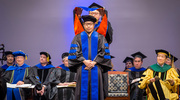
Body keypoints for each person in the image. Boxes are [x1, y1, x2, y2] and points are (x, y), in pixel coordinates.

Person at [68, 15, 112, 100]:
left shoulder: (100, 37)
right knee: (82, 91)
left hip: (96, 67)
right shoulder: (77, 37)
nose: (88, 26)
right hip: (82, 67)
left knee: (96, 91)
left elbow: (104, 52)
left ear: (94, 25)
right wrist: (84, 61)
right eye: (86, 24)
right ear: (83, 25)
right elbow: (75, 53)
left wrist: (94, 62)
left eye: (90, 24)